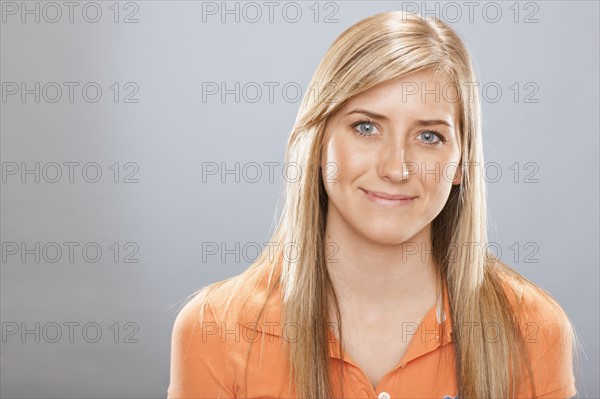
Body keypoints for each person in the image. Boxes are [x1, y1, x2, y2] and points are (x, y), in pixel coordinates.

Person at [168, 10, 579, 399]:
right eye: (366, 127)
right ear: (318, 141)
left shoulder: (532, 329)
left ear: (461, 163)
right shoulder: (215, 328)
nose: (395, 168)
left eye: (429, 136)